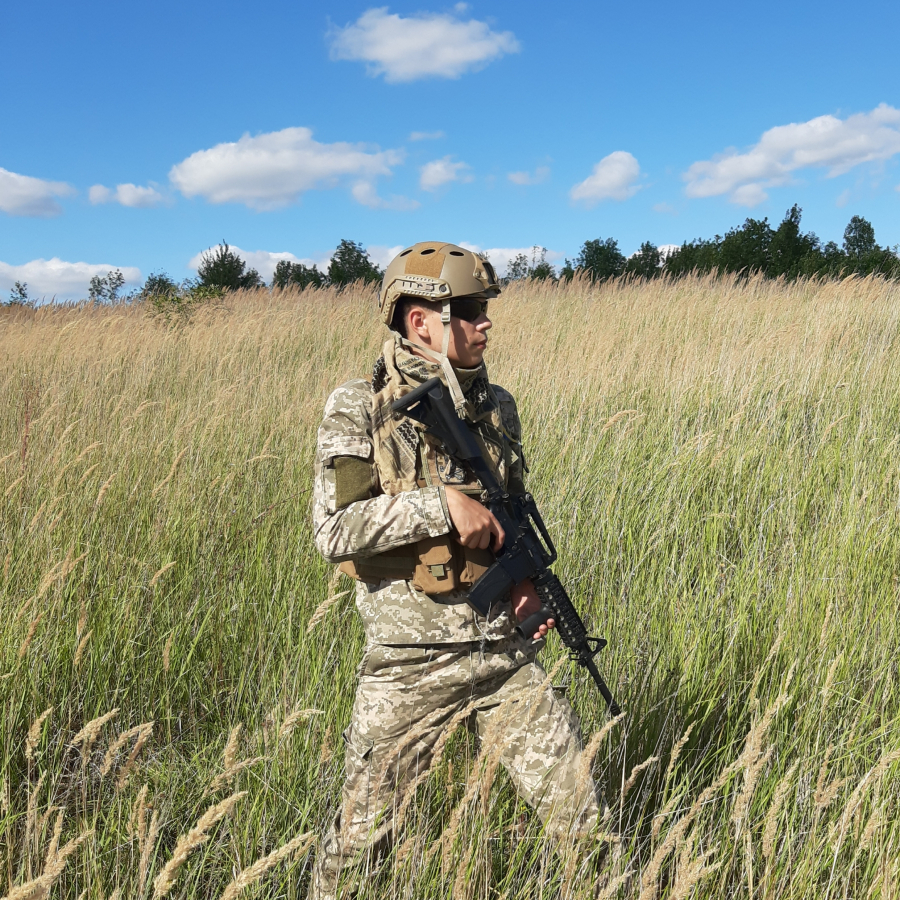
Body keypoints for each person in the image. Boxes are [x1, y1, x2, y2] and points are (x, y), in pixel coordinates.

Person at [310, 242, 604, 899]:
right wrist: (439, 506)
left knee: (585, 828)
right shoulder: (359, 407)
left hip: (502, 652)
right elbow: (334, 530)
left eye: (484, 307)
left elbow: (510, 511)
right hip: (408, 665)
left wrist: (524, 585)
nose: (485, 322)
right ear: (420, 322)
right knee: (356, 856)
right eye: (469, 310)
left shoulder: (496, 405)